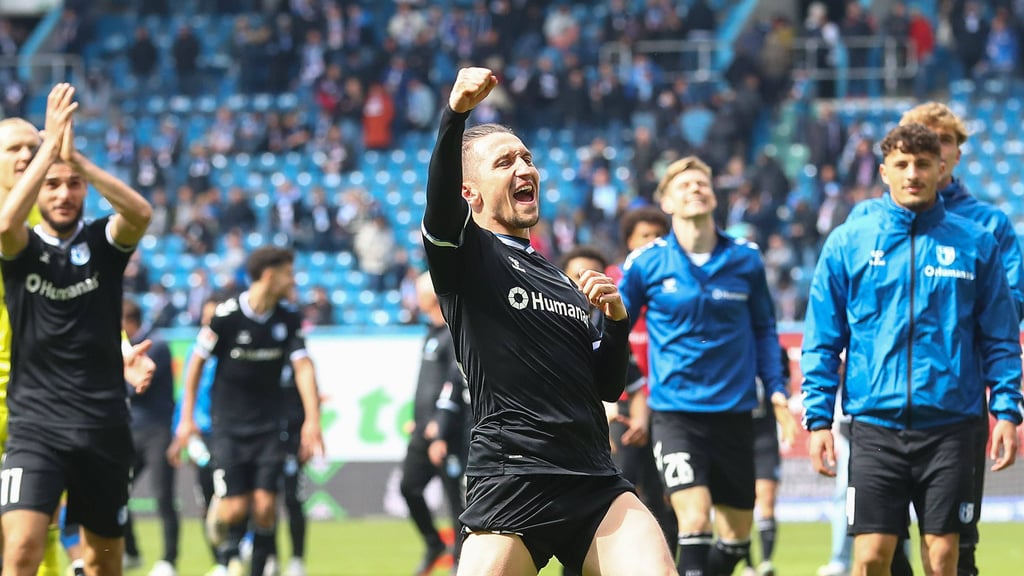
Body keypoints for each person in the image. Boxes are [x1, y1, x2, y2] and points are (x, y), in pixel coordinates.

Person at [421, 66, 675, 576]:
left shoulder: (560, 279)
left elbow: (606, 386)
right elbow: (440, 201)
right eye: (505, 161)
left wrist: (616, 322)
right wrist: (456, 115)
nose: (524, 168)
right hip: (513, 476)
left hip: (592, 479)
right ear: (470, 193)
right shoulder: (466, 256)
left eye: (527, 158)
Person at [801, 123, 1023, 576]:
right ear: (884, 172)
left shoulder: (976, 243)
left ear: (942, 168)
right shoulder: (850, 241)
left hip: (951, 426)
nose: (912, 173)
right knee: (870, 557)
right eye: (901, 164)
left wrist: (1007, 410)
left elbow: (1000, 338)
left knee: (943, 558)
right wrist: (819, 420)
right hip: (874, 426)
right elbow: (823, 339)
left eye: (923, 163)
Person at [617, 154, 797, 576]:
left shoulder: (746, 260)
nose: (696, 189)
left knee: (735, 539)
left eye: (703, 183)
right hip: (676, 414)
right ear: (667, 203)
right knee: (694, 519)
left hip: (736, 416)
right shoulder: (646, 263)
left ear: (715, 195)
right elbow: (612, 330)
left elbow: (765, 332)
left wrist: (776, 390)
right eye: (684, 185)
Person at [0, 82, 153, 576]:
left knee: (45, 547)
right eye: (16, 148)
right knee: (23, 544)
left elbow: (83, 310)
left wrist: (122, 349)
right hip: (30, 411)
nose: (29, 154)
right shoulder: (16, 234)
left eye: (34, 144)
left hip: (51, 408)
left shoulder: (50, 235)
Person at [173, 247, 324, 576]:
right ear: (269, 275)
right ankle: (223, 525)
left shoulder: (288, 318)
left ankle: (255, 568)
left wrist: (313, 420)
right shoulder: (226, 316)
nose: (293, 279)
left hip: (270, 427)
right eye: (288, 272)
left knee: (266, 506)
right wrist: (186, 418)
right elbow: (196, 362)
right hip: (228, 426)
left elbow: (303, 368)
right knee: (237, 508)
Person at [605, 206, 676, 556]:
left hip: (666, 403)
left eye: (658, 237)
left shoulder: (673, 291)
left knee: (670, 498)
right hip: (623, 406)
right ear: (629, 242)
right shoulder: (614, 285)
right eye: (643, 237)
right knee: (621, 494)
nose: (651, 244)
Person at [400, 271, 465, 576]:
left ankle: (459, 564)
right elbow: (428, 385)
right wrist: (419, 421)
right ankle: (433, 543)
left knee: (457, 502)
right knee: (409, 487)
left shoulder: (455, 332)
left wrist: (439, 427)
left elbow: (452, 385)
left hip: (448, 433)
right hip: (423, 431)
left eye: (419, 290)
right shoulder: (430, 331)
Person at [122, 297, 180, 576]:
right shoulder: (129, 348)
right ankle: (131, 552)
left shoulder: (155, 346)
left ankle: (169, 559)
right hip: (130, 430)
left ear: (128, 323)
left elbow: (135, 388)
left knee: (162, 497)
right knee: (117, 492)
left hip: (157, 431)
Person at [742, 346, 791, 576]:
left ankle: (766, 562)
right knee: (742, 502)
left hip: (765, 435)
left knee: (767, 498)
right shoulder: (730, 344)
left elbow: (784, 388)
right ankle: (748, 565)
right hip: (737, 434)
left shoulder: (776, 352)